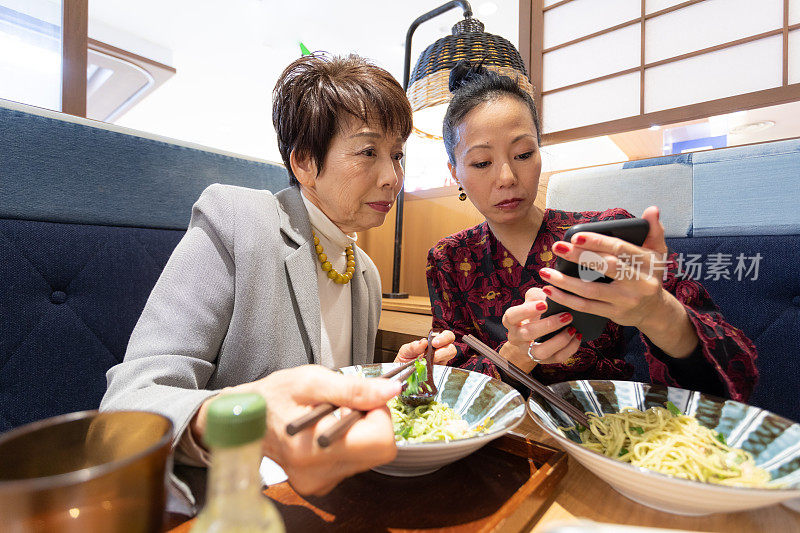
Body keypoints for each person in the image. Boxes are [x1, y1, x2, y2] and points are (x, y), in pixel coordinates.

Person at [100, 53, 456, 498]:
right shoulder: (236, 221)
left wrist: (386, 379)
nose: (393, 177)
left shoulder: (363, 272)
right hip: (236, 504)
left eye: (397, 154)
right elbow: (127, 407)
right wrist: (248, 418)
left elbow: (331, 401)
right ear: (305, 162)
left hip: (335, 494)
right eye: (368, 152)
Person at [413, 62, 757, 401]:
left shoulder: (605, 235)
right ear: (455, 172)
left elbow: (733, 372)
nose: (506, 178)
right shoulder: (450, 258)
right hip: (504, 435)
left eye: (523, 153)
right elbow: (449, 378)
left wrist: (657, 313)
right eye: (481, 163)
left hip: (603, 428)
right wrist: (515, 355)